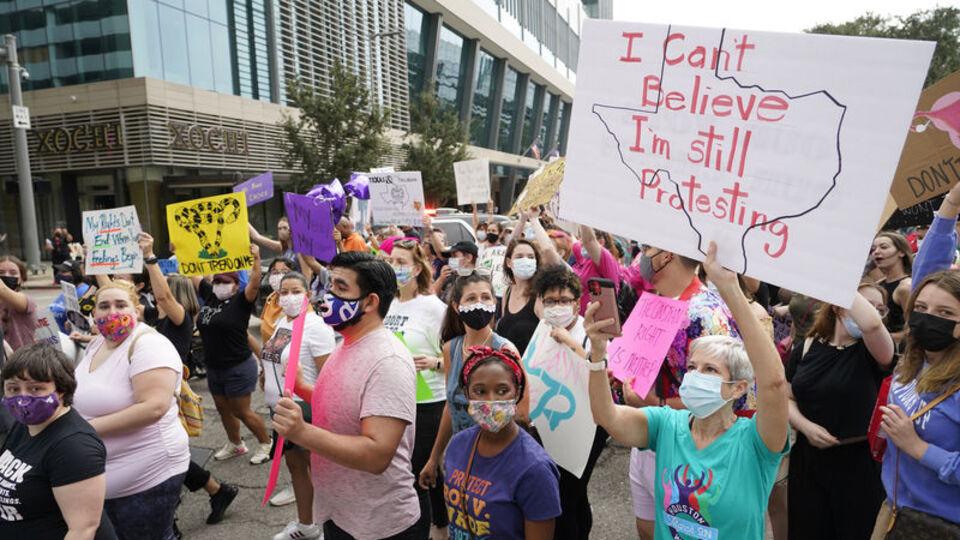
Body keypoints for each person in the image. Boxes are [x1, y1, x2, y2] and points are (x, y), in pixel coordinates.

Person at [586, 242, 790, 539]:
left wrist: (730, 289)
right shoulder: (668, 425)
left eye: (710, 370)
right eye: (691, 367)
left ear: (738, 388)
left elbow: (774, 384)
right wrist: (596, 353)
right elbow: (606, 416)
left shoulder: (756, 443)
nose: (695, 376)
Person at [272, 251, 423, 539]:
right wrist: (304, 387)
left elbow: (377, 455)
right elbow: (346, 407)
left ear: (370, 302)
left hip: (378, 525)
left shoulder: (388, 361)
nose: (328, 297)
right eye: (330, 286)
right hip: (341, 514)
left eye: (341, 289)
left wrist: (302, 432)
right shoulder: (348, 342)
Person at [621, 244, 739, 539]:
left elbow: (719, 397)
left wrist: (656, 402)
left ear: (667, 255)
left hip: (688, 449)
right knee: (647, 528)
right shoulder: (654, 302)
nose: (643, 256)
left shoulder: (706, 313)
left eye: (648, 248)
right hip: (648, 437)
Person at [72, 280, 190, 540]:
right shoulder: (97, 343)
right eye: (104, 306)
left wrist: (79, 431)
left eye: (120, 305)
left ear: (136, 310)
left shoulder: (149, 345)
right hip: (103, 475)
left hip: (148, 475)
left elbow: (154, 407)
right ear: (94, 313)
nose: (112, 312)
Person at [139, 233, 238, 526]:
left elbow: (162, 297)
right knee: (165, 453)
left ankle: (171, 517)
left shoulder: (179, 319)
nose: (154, 292)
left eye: (161, 288)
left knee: (163, 454)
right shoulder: (154, 317)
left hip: (166, 394)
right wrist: (97, 265)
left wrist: (150, 258)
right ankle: (217, 491)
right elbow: (123, 296)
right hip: (150, 391)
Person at [786, 283, 893, 538]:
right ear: (837, 307)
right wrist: (806, 426)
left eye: (880, 309)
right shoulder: (808, 346)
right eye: (867, 305)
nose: (874, 313)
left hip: (857, 464)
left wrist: (838, 278)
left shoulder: (874, 353)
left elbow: (872, 325)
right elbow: (786, 397)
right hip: (807, 461)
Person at [0, 343, 116, 540]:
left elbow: (82, 530)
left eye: (35, 388)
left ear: (61, 389)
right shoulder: (26, 423)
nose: (22, 398)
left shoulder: (74, 448)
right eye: (13, 389)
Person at [443, 346, 561, 539]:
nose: (491, 401)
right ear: (467, 393)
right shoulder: (458, 445)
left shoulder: (535, 469)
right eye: (480, 391)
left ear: (517, 392)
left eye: (502, 390)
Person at [876, 270, 960, 532]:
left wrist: (917, 447)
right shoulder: (911, 364)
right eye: (921, 308)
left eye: (945, 312)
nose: (928, 318)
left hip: (940, 526)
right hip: (893, 510)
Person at [419, 272, 519, 491]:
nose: (479, 304)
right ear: (457, 307)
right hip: (461, 455)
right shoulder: (451, 349)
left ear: (494, 303)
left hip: (497, 459)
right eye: (471, 298)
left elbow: (521, 412)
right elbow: (450, 407)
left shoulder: (505, 350)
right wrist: (434, 458)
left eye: (485, 297)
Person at [533, 264, 611, 539]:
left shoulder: (590, 332)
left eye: (564, 300)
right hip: (555, 424)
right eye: (550, 301)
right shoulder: (543, 329)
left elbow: (602, 374)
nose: (557, 307)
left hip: (589, 426)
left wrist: (570, 343)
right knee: (572, 494)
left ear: (577, 304)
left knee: (566, 496)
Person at [382, 238, 450, 539]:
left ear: (417, 268)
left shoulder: (434, 308)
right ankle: (440, 523)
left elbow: (455, 354)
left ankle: (430, 529)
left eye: (401, 262)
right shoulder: (386, 303)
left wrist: (436, 363)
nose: (394, 267)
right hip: (392, 399)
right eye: (391, 261)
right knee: (410, 470)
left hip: (428, 401)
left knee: (418, 471)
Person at [261, 271, 334, 540]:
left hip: (305, 409)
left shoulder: (317, 327)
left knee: (321, 471)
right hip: (282, 409)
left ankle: (334, 527)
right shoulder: (282, 323)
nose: (289, 297)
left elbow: (328, 376)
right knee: (296, 467)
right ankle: (307, 525)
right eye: (284, 292)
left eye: (296, 291)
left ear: (309, 295)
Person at [194, 246, 272, 464]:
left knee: (241, 411)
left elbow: (255, 282)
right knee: (223, 409)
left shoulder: (241, 302)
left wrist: (256, 258)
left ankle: (266, 442)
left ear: (236, 285)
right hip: (214, 366)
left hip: (237, 366)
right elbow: (193, 272)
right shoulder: (210, 296)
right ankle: (236, 443)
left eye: (226, 282)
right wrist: (184, 248)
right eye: (217, 281)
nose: (220, 285)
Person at [497, 239, 542, 355]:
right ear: (508, 262)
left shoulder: (540, 295)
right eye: (519, 256)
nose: (525, 261)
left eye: (531, 257)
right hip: (507, 362)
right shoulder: (507, 292)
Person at [871, 231, 913, 338]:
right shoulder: (879, 284)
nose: (876, 252)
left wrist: (879, 338)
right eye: (873, 249)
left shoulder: (905, 287)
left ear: (901, 252)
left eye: (883, 247)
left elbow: (913, 331)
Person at [0, 255, 37, 350]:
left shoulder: (26, 301)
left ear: (21, 279)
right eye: (1, 272)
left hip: (22, 358)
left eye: (13, 273)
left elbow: (3, 289)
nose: (7, 276)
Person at [260, 257, 298, 343]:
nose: (279, 276)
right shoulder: (271, 297)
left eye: (285, 272)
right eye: (275, 272)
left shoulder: (298, 302)